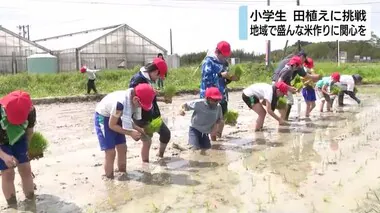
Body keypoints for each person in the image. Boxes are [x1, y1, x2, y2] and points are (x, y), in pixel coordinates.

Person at [94, 83, 156, 178]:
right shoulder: (120, 104)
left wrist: (141, 130)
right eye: (141, 105)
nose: (140, 108)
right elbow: (111, 125)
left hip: (115, 117)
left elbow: (126, 119)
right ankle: (109, 178)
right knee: (110, 152)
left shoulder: (132, 100)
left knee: (122, 147)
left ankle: (122, 173)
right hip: (103, 117)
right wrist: (130, 133)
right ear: (136, 99)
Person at [129, 57, 171, 163]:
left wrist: (162, 99)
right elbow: (135, 100)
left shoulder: (148, 78)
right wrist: (137, 123)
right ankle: (145, 165)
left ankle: (160, 156)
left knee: (165, 133)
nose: (158, 79)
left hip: (152, 114)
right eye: (159, 76)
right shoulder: (138, 80)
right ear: (156, 71)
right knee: (147, 140)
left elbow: (148, 97)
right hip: (142, 116)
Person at [0, 90, 36, 206]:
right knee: (8, 172)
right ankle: (12, 205)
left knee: (26, 168)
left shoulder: (30, 110)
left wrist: (29, 150)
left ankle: (31, 201)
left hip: (20, 137)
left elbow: (29, 132)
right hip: (1, 142)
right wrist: (4, 156)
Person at [200, 41, 238, 141]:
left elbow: (225, 81)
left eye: (227, 56)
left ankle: (218, 138)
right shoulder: (208, 61)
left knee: (221, 117)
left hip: (222, 94)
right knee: (210, 117)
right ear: (217, 52)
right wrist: (221, 75)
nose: (225, 58)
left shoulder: (225, 63)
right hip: (209, 95)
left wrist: (230, 78)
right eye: (224, 55)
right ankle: (209, 139)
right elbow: (206, 78)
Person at [272, 51, 320, 120]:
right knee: (289, 101)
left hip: (275, 81)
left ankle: (281, 118)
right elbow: (305, 75)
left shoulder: (287, 61)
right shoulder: (295, 63)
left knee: (278, 101)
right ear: (302, 57)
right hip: (280, 84)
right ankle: (284, 119)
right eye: (304, 60)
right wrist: (315, 77)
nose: (303, 63)